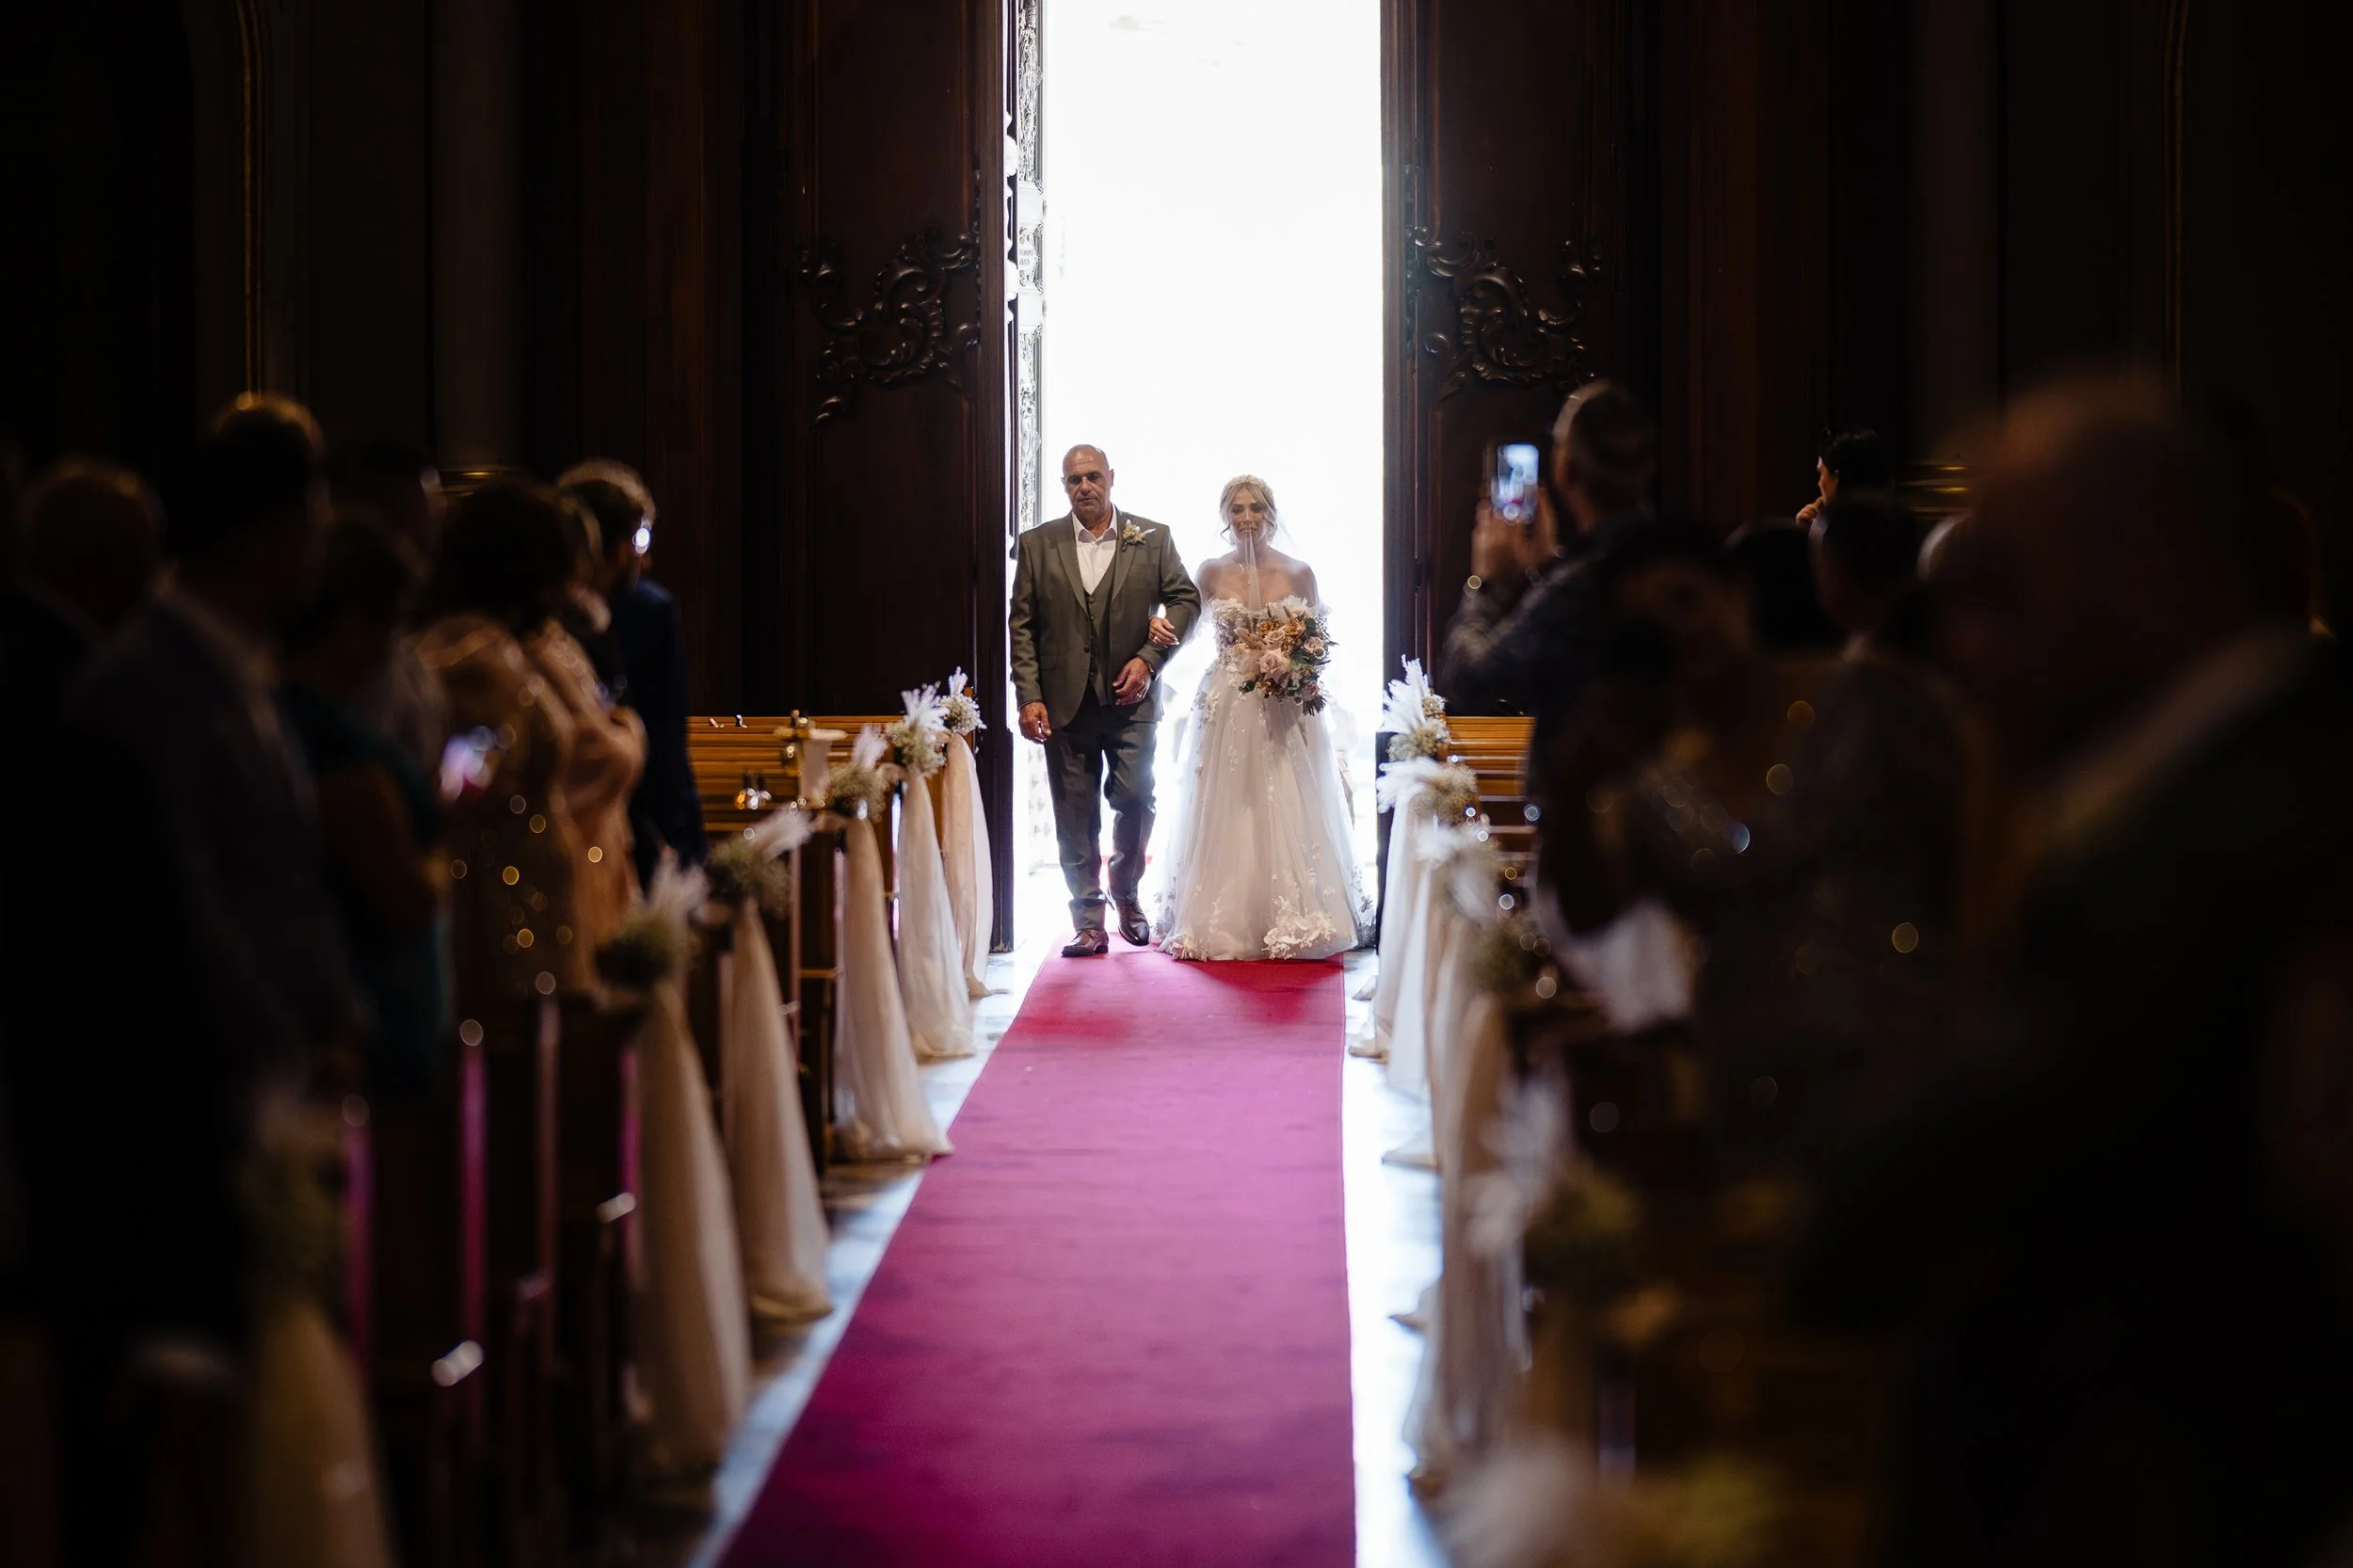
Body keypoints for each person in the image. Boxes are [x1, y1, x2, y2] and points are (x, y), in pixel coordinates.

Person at [1796, 377, 2353, 1568]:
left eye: (1998, 594)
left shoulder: (2245, 826)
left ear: (2147, 567)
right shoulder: (2213, 779)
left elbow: (1905, 1195)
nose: (1959, 650)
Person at [1152, 476, 1369, 961]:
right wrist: (1155, 635)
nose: (1247, 518)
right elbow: (1184, 628)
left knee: (1285, 795)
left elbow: (1318, 643)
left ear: (1272, 514)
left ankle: (1293, 910)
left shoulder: (1299, 573)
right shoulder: (1210, 572)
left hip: (1284, 702)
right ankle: (1226, 913)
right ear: (1225, 517)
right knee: (1230, 801)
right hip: (1228, 699)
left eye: (1256, 508)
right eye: (1237, 509)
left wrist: (1296, 668)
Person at [1009, 443, 1202, 956]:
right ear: (1064, 486)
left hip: (1132, 698)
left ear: (1111, 478)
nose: (1084, 487)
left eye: (1093, 476)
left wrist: (1150, 659)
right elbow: (1022, 627)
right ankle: (1088, 918)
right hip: (1062, 702)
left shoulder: (1152, 537)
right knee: (1074, 812)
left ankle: (1126, 890)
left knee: (1136, 797)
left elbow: (1186, 599)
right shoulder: (1037, 544)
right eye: (1074, 480)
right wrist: (1028, 696)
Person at [282, 520, 450, 1097]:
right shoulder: (331, 741)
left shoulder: (306, 717)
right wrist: (445, 848)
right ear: (351, 624)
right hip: (373, 994)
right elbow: (404, 894)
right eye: (391, 624)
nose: (393, 648)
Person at [417, 479, 589, 1003]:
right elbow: (463, 782)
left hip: (525, 894)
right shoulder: (474, 655)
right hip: (505, 902)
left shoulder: (500, 646)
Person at [1437, 380, 1657, 761]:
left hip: (1593, 787)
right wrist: (1547, 566)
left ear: (1564, 469)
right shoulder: (1675, 558)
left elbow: (1470, 679)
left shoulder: (1581, 584)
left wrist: (1486, 584)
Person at [559, 458, 706, 884]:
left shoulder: (534, 612)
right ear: (620, 545)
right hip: (630, 824)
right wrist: (686, 844)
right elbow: (665, 741)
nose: (647, 559)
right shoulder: (648, 611)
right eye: (640, 540)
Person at [1795, 424, 1893, 524]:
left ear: (1836, 479)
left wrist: (1817, 528)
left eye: (1821, 474)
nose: (1819, 483)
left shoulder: (1842, 529)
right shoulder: (1894, 520)